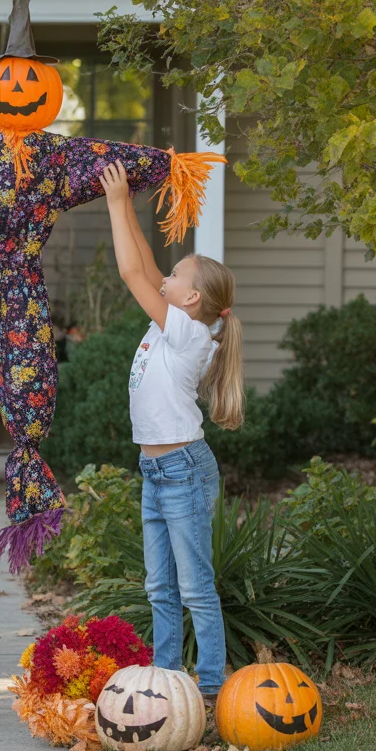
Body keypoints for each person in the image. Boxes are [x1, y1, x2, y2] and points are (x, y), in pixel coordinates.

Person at [99, 161, 245, 708]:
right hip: (157, 470)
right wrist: (132, 211)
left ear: (190, 300)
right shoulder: (181, 319)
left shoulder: (188, 334)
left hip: (182, 469)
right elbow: (147, 266)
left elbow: (133, 275)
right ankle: (166, 684)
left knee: (194, 590)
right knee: (160, 588)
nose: (167, 277)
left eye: (177, 277)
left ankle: (208, 691)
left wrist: (116, 202)